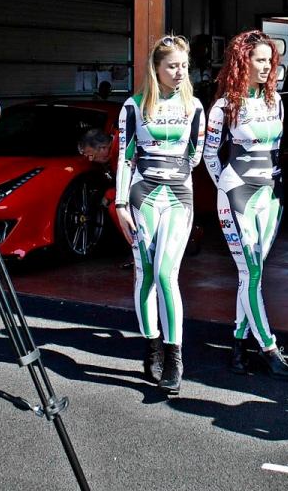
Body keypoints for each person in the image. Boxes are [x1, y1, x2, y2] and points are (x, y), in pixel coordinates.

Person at [203, 30, 288, 381]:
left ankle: (239, 344)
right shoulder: (225, 106)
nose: (267, 66)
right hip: (237, 194)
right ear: (243, 62)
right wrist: (225, 188)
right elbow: (209, 155)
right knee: (251, 272)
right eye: (260, 59)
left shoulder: (277, 101)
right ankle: (269, 348)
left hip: (272, 194)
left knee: (252, 275)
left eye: (270, 60)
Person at [116, 33, 205, 395]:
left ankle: (174, 355)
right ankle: (151, 345)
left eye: (184, 66)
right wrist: (120, 204)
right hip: (143, 195)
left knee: (168, 274)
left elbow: (195, 155)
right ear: (156, 68)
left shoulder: (194, 106)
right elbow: (125, 157)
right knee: (147, 273)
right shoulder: (133, 106)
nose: (180, 72)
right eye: (172, 66)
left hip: (179, 195)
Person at [78, 127, 121, 232]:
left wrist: (110, 194)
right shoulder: (115, 144)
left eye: (91, 155)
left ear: (103, 148)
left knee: (114, 208)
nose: (90, 159)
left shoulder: (121, 151)